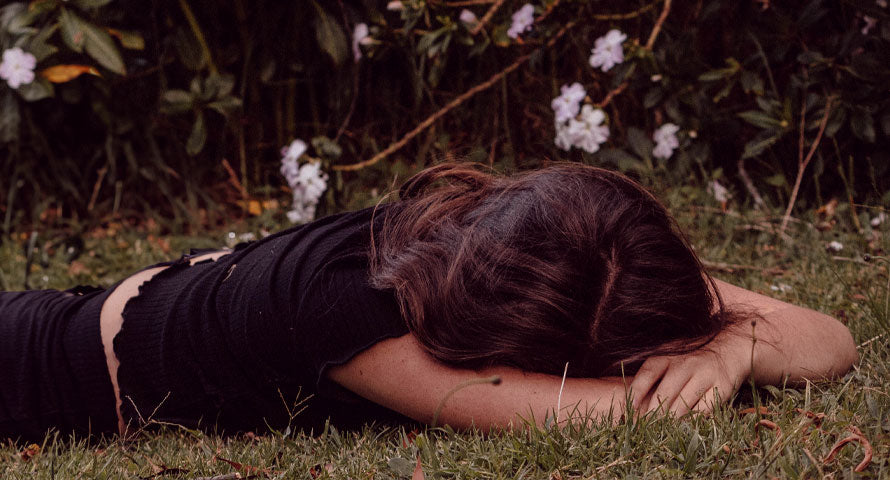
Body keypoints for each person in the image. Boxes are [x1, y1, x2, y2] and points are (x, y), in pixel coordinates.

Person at [0, 162, 857, 441]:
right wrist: (716, 359)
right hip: (36, 370)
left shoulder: (546, 238)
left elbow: (832, 339)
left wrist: (733, 346)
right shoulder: (352, 316)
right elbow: (606, 415)